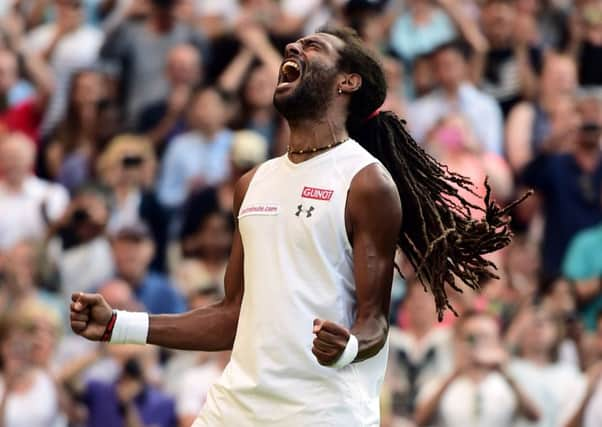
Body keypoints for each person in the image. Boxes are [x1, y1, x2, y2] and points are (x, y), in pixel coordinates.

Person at [70, 27, 522, 426]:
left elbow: (374, 321)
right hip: (237, 406)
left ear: (348, 81)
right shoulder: (252, 183)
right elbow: (232, 316)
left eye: (313, 46)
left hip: (322, 411)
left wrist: (346, 347)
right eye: (297, 43)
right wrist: (118, 325)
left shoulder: (366, 182)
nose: (293, 46)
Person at [414, 310, 540, 427]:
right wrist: (456, 372)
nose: (479, 343)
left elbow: (535, 417)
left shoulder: (510, 383)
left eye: (486, 337)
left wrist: (504, 371)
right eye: (472, 338)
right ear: (458, 340)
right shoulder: (438, 382)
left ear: (497, 341)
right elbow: (419, 421)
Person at [0, 132, 69, 250]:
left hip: (44, 264)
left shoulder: (52, 193)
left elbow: (62, 233)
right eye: (8, 157)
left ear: (31, 159)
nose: (13, 163)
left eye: (18, 157)